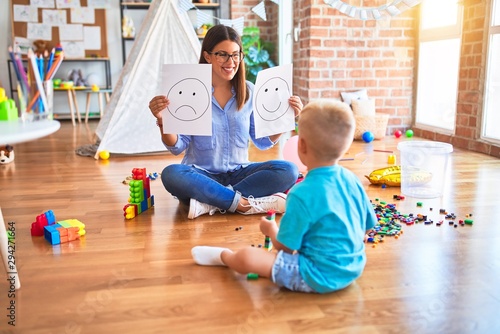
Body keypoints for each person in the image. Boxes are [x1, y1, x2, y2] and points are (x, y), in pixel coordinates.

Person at [191, 99, 378, 293]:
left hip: (316, 275)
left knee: (248, 257)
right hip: (354, 267)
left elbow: (285, 249)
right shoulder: (352, 179)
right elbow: (368, 226)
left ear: (302, 146)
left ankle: (226, 256)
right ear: (345, 145)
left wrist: (271, 230)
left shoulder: (301, 194)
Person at [149, 24, 303, 219]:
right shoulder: (192, 90)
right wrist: (163, 121)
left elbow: (262, 141)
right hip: (201, 175)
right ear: (208, 56)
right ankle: (241, 203)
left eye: (236, 54)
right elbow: (177, 146)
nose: (231, 61)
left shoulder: (248, 91)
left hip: (240, 172)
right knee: (171, 174)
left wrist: (285, 118)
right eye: (223, 54)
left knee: (288, 170)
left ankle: (211, 203)